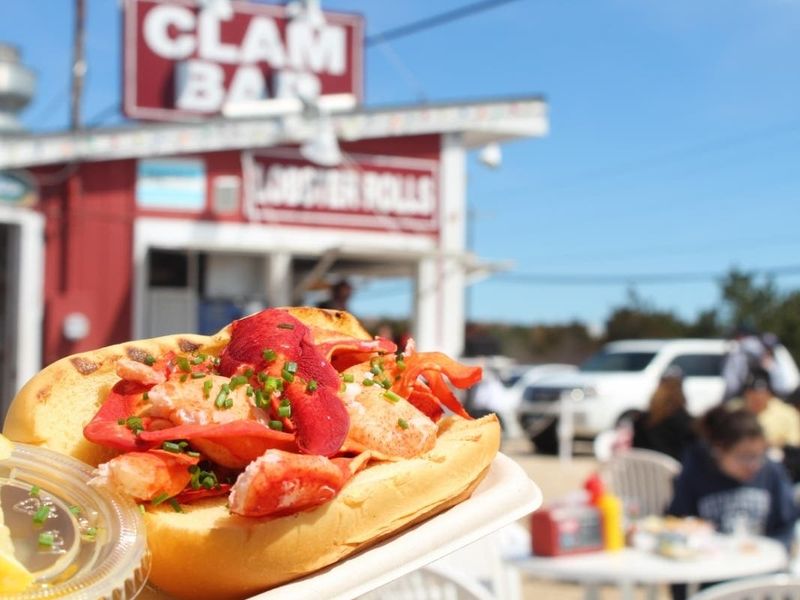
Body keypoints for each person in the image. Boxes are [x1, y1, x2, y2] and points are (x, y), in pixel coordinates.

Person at [667, 406, 798, 599]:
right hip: (712, 580)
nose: (753, 465)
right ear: (720, 451)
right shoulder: (696, 474)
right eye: (744, 457)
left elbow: (786, 525)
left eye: (759, 455)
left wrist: (772, 550)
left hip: (761, 578)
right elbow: (676, 523)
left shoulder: (771, 473)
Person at [631, 366, 696, 461]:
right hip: (674, 474)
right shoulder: (687, 422)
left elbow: (636, 452)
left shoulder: (641, 420)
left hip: (645, 473)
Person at [731, 367, 800, 450]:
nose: (757, 399)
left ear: (770, 394)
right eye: (752, 394)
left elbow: (794, 446)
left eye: (761, 394)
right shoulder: (732, 411)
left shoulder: (787, 413)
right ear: (745, 394)